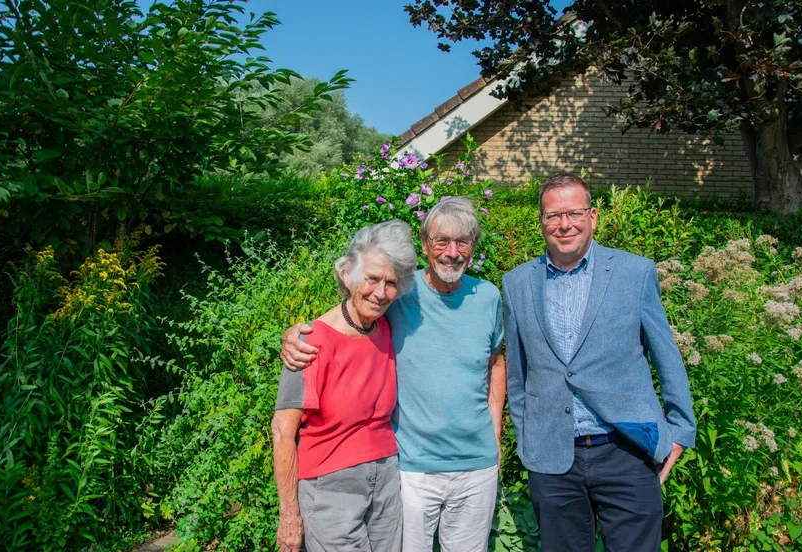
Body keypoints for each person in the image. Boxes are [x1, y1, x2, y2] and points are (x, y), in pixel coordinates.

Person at [281, 197, 505, 552]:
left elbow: (496, 359)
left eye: (463, 241)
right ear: (425, 243)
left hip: (471, 466)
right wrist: (297, 333)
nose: (452, 251)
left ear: (474, 246)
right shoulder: (402, 291)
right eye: (441, 241)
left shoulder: (487, 296)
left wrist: (494, 427)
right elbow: (351, 311)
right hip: (412, 466)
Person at [501, 173, 697, 551]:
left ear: (592, 216)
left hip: (627, 450)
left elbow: (666, 355)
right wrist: (527, 441)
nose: (564, 224)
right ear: (541, 222)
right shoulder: (517, 282)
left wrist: (680, 429)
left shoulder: (634, 272)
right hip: (553, 456)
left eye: (574, 213)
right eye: (553, 216)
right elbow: (518, 375)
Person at [271, 220, 418, 552]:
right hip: (330, 488)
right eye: (372, 279)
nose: (380, 293)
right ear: (348, 274)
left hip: (386, 481)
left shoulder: (385, 327)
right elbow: (283, 430)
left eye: (391, 283)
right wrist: (289, 516)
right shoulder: (310, 342)